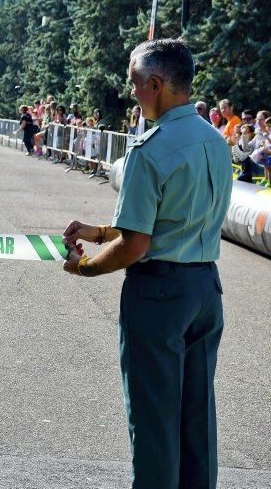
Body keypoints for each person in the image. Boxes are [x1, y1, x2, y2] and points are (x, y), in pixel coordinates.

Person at [62, 39, 231, 488]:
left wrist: (85, 267)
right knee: (198, 421)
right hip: (204, 290)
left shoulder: (147, 150)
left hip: (158, 295)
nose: (132, 93)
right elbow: (174, 221)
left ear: (156, 84)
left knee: (155, 423)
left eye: (135, 84)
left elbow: (138, 244)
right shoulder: (215, 141)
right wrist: (100, 231)